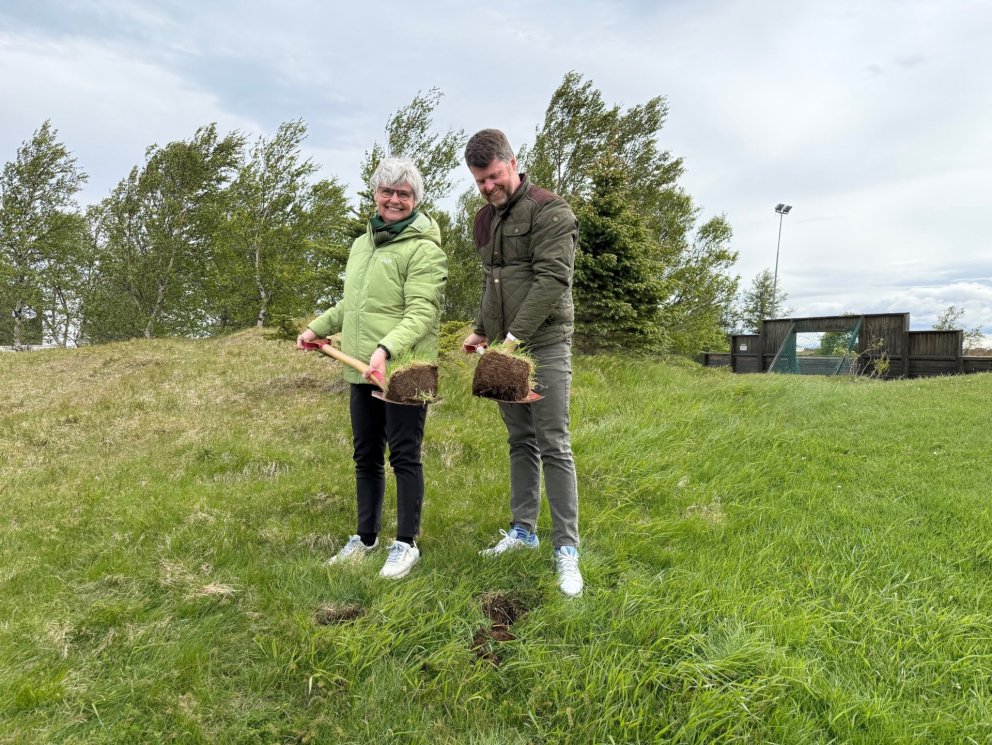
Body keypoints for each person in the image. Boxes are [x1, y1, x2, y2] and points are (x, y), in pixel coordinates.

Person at [298, 157, 447, 580]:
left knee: (404, 456)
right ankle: (365, 538)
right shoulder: (362, 245)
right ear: (375, 194)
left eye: (404, 193)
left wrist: (386, 349)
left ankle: (406, 544)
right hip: (361, 368)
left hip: (405, 370)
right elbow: (353, 304)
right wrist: (317, 327)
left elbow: (422, 312)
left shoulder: (424, 249)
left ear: (416, 199)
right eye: (387, 191)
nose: (394, 200)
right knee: (366, 456)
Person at [462, 129, 583, 597]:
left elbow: (553, 279)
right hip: (502, 346)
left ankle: (566, 548)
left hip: (544, 343)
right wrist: (481, 330)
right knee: (519, 440)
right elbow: (493, 280)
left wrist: (513, 339)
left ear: (513, 163)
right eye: (480, 181)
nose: (488, 187)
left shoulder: (551, 210)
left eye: (494, 176)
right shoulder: (483, 220)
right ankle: (523, 531)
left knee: (553, 442)